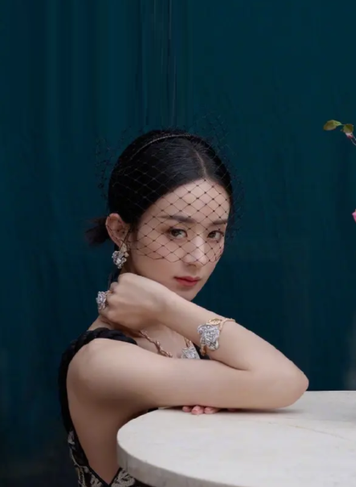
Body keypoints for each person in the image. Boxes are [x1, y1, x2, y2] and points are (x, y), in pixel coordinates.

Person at [58, 129, 309, 486]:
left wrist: (167, 311)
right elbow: (287, 381)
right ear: (121, 231)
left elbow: (281, 382)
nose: (198, 257)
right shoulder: (101, 360)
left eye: (214, 234)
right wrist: (166, 306)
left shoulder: (177, 330)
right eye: (176, 232)